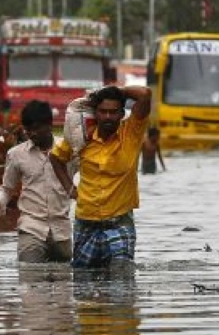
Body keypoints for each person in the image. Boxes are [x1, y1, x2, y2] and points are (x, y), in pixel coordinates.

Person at [50, 85, 152, 270]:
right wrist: (70, 188)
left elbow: (145, 94)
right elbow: (56, 158)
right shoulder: (81, 136)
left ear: (122, 114)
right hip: (86, 222)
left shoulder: (131, 133)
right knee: (83, 284)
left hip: (119, 221)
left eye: (113, 112)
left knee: (121, 279)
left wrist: (111, 90)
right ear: (95, 113)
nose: (107, 117)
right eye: (103, 111)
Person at [0, 100, 72, 264]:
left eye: (36, 128)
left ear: (49, 125)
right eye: (28, 130)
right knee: (30, 280)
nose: (32, 134)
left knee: (64, 284)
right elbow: (7, 188)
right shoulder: (16, 154)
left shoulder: (68, 151)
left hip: (62, 230)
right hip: (31, 229)